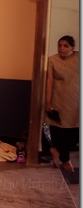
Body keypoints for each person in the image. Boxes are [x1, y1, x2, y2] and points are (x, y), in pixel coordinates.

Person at [45, 35, 80, 173]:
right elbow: (49, 82)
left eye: (65, 46)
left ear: (73, 48)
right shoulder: (53, 60)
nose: (61, 48)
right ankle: (65, 159)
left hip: (76, 101)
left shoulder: (78, 59)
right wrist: (47, 101)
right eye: (60, 45)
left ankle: (56, 151)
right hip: (59, 100)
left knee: (75, 132)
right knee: (59, 131)